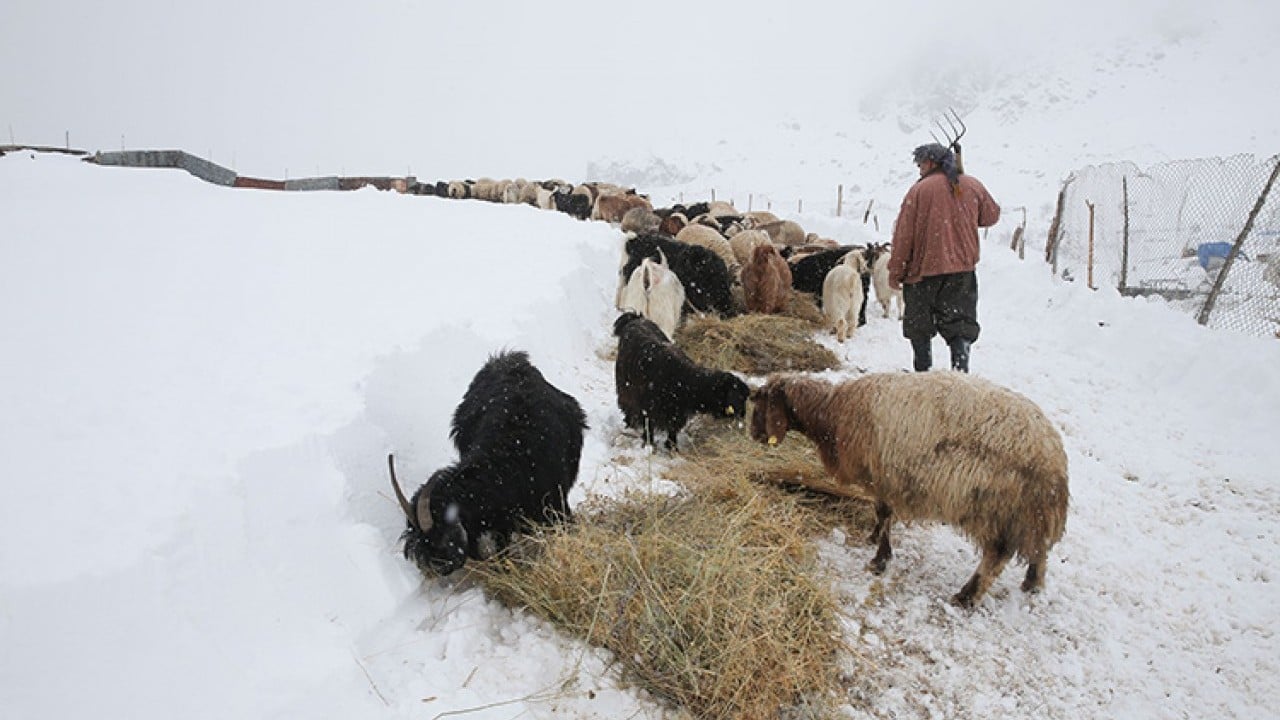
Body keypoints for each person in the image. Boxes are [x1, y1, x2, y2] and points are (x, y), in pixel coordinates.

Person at [887, 143, 1000, 373]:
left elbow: (903, 236)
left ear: (930, 163)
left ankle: (923, 373)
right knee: (960, 325)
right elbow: (991, 216)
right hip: (961, 271)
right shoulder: (971, 184)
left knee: (920, 326)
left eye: (920, 164)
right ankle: (960, 371)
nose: (919, 169)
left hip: (923, 273)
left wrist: (896, 271)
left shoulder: (919, 191)